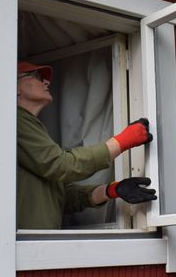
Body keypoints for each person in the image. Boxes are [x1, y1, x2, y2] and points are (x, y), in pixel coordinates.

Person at [17, 61, 156, 229]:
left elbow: (63, 196)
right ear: (14, 86)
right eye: (38, 77)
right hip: (27, 247)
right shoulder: (16, 121)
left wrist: (112, 190)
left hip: (37, 245)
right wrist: (122, 141)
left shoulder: (31, 126)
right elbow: (61, 165)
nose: (46, 82)